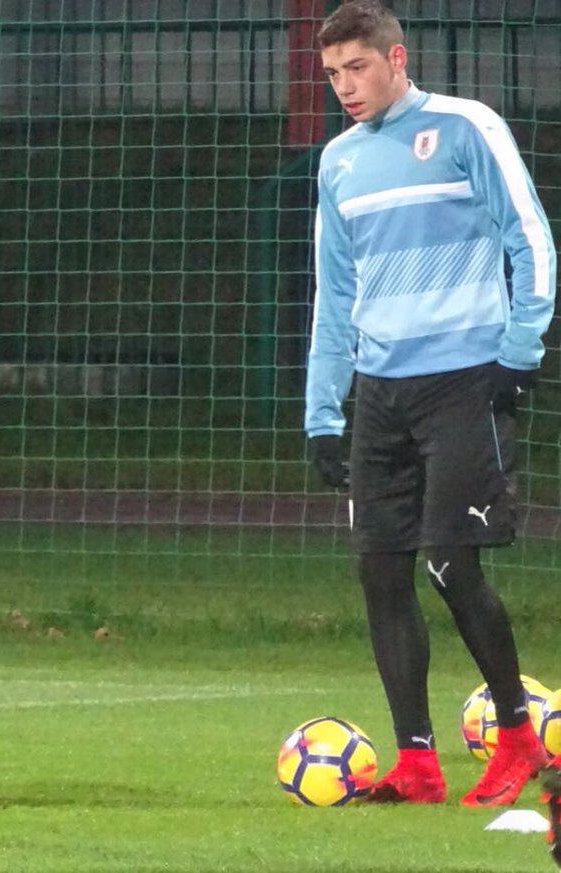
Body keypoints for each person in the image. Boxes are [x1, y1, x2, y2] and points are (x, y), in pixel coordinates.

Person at [305, 0, 555, 807]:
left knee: (451, 563)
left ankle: (517, 738)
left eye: (357, 67)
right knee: (381, 571)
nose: (345, 86)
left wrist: (519, 352)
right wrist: (323, 411)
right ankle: (417, 763)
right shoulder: (339, 162)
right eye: (333, 74)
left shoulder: (464, 128)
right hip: (381, 393)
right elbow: (334, 292)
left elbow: (530, 237)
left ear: (397, 58)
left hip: (464, 381)